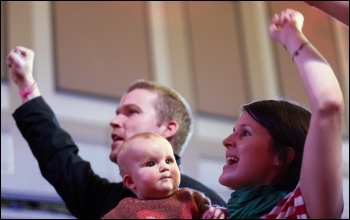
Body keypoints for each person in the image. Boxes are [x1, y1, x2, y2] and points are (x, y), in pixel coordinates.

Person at [6, 50, 226, 218]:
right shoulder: (102, 198)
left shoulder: (202, 203)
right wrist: (26, 85)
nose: (114, 121)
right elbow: (57, 154)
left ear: (167, 129)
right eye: (117, 113)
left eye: (131, 112)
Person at [219, 8, 344, 219]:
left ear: (281, 156)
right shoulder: (214, 212)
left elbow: (328, 105)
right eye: (234, 131)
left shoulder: (296, 210)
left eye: (245, 133)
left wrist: (291, 35)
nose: (227, 141)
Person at [102, 132, 226, 219]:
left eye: (168, 161)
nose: (164, 167)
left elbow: (210, 215)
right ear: (130, 181)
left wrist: (218, 213)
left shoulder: (191, 198)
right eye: (151, 163)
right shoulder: (124, 210)